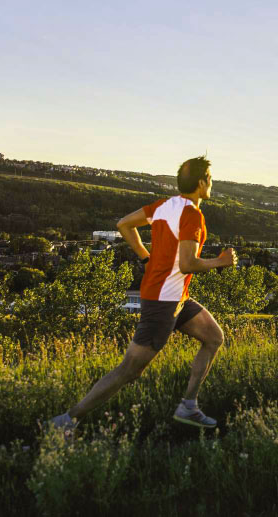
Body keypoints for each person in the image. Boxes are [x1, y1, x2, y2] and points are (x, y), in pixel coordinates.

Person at [49, 155, 236, 432]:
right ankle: (66, 421)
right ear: (201, 183)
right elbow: (187, 264)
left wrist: (146, 258)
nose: (212, 182)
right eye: (210, 178)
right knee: (130, 370)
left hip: (176, 298)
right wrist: (221, 262)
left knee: (213, 337)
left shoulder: (163, 206)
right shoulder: (192, 215)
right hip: (163, 302)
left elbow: (124, 224)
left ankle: (189, 406)